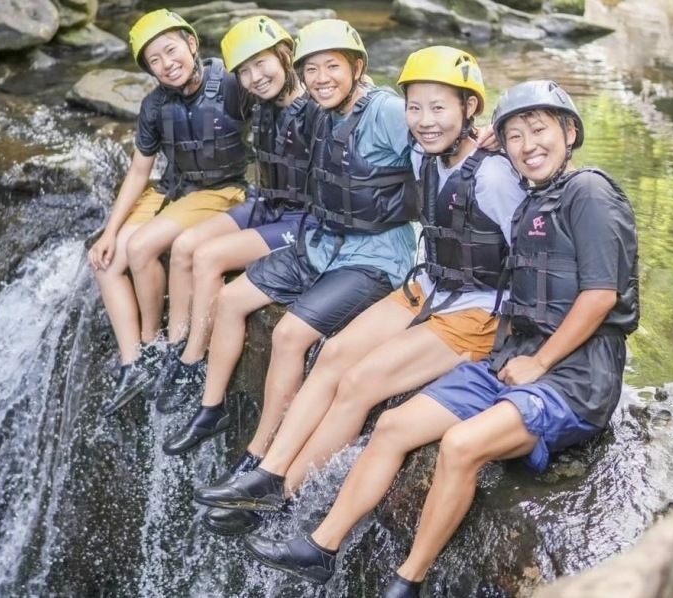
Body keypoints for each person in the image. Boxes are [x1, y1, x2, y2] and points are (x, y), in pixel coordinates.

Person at [242, 79, 640, 597]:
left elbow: (600, 297)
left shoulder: (588, 192)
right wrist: (488, 140)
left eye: (539, 131)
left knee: (459, 445)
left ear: (570, 132)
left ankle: (410, 579)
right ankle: (320, 546)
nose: (527, 145)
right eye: (515, 136)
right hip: (509, 358)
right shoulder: (528, 195)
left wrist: (539, 363)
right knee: (392, 425)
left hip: (574, 380)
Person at [192, 46, 526, 536]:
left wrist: (530, 347)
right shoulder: (424, 152)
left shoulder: (497, 174)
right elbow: (370, 119)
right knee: (333, 355)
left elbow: (533, 253)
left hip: (476, 312)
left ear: (469, 107)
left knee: (357, 383)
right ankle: (267, 473)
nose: (425, 120)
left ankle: (288, 495)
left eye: (439, 108)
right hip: (429, 286)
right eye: (416, 107)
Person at [161, 20, 419, 470]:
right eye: (312, 69)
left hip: (374, 253)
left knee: (287, 334)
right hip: (321, 241)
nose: (321, 79)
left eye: (332, 67)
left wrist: (480, 138)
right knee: (230, 298)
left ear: (358, 66)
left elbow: (435, 145)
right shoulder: (315, 109)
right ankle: (211, 407)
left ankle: (257, 457)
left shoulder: (385, 111)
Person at [149, 15, 318, 414]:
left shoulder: (318, 107)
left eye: (262, 64)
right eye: (244, 70)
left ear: (285, 55)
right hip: (266, 203)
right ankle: (180, 345)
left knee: (210, 257)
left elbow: (359, 106)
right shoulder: (258, 103)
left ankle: (193, 360)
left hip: (300, 222)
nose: (255, 77)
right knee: (187, 244)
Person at [91, 9, 253, 417]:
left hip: (222, 190)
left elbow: (278, 111)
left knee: (144, 247)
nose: (167, 64)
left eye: (171, 50)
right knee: (108, 262)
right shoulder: (154, 105)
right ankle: (133, 362)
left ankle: (155, 344)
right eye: (155, 61)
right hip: (173, 189)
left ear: (192, 43)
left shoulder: (233, 85)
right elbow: (139, 171)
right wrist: (109, 232)